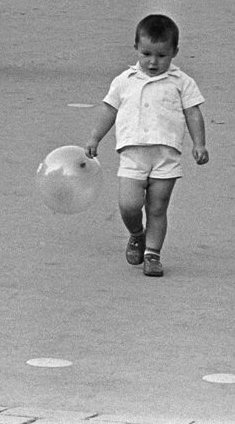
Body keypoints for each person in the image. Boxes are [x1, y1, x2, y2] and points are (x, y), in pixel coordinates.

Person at [84, 14, 208, 278]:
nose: (153, 61)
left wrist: (199, 143)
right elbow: (109, 109)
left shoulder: (182, 82)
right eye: (147, 53)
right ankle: (136, 234)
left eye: (162, 55)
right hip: (133, 154)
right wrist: (95, 137)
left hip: (166, 155)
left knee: (157, 207)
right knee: (129, 205)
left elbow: (193, 113)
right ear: (136, 49)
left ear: (175, 52)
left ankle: (153, 254)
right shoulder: (124, 80)